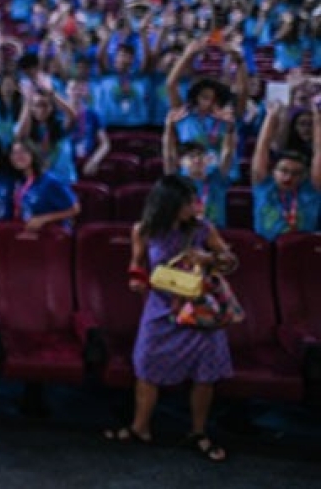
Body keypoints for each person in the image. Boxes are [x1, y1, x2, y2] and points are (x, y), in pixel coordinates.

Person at [105, 174, 235, 462]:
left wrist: (209, 259)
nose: (195, 205)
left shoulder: (203, 229)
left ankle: (198, 431)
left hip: (200, 309)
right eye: (189, 201)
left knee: (205, 373)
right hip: (161, 308)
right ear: (170, 203)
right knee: (147, 366)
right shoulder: (144, 230)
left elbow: (230, 262)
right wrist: (136, 281)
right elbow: (137, 265)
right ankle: (140, 427)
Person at [250, 103, 321, 239]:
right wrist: (271, 116)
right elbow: (262, 147)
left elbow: (319, 151)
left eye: (295, 173)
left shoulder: (310, 192)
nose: (288, 177)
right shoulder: (264, 187)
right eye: (283, 171)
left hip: (301, 253)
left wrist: (317, 120)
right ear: (273, 171)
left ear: (304, 175)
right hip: (264, 253)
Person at [7, 138, 80, 231]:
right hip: (27, 233)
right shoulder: (18, 181)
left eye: (23, 151)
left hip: (51, 235)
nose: (19, 156)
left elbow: (75, 209)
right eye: (14, 153)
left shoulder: (50, 181)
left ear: (33, 154)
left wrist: (43, 219)